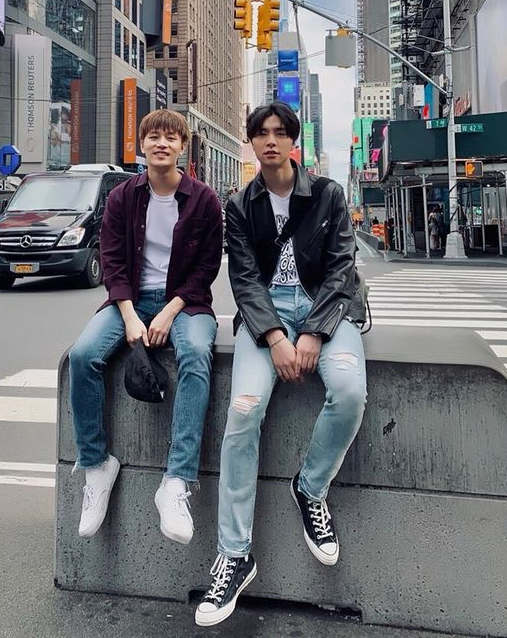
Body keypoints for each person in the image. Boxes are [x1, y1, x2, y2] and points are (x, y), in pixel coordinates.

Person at [195, 103, 367, 627]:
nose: (270, 141)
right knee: (243, 412)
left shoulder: (329, 194)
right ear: (250, 142)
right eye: (261, 133)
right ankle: (234, 552)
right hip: (265, 311)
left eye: (280, 133)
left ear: (294, 141)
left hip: (325, 307)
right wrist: (274, 336)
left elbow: (342, 266)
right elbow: (243, 276)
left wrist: (313, 331)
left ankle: (310, 487)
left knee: (349, 392)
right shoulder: (240, 204)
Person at [69, 110, 223, 546]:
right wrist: (132, 315)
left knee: (195, 355)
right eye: (153, 136)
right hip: (129, 302)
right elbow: (113, 260)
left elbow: (207, 267)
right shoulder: (123, 197)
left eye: (170, 138)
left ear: (182, 147)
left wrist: (171, 310)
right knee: (83, 356)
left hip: (186, 302)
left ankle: (176, 481)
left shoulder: (205, 199)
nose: (161, 144)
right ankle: (97, 465)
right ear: (142, 145)